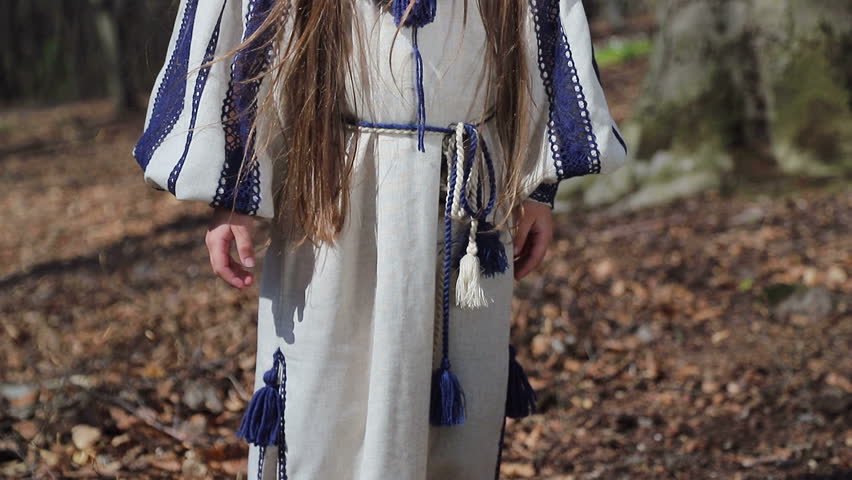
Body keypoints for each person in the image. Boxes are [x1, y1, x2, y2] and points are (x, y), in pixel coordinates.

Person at [133, 0, 626, 478]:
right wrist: (233, 190)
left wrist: (537, 185)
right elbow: (249, 24)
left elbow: (540, 27)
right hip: (333, 185)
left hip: (464, 197)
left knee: (456, 416)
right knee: (324, 401)